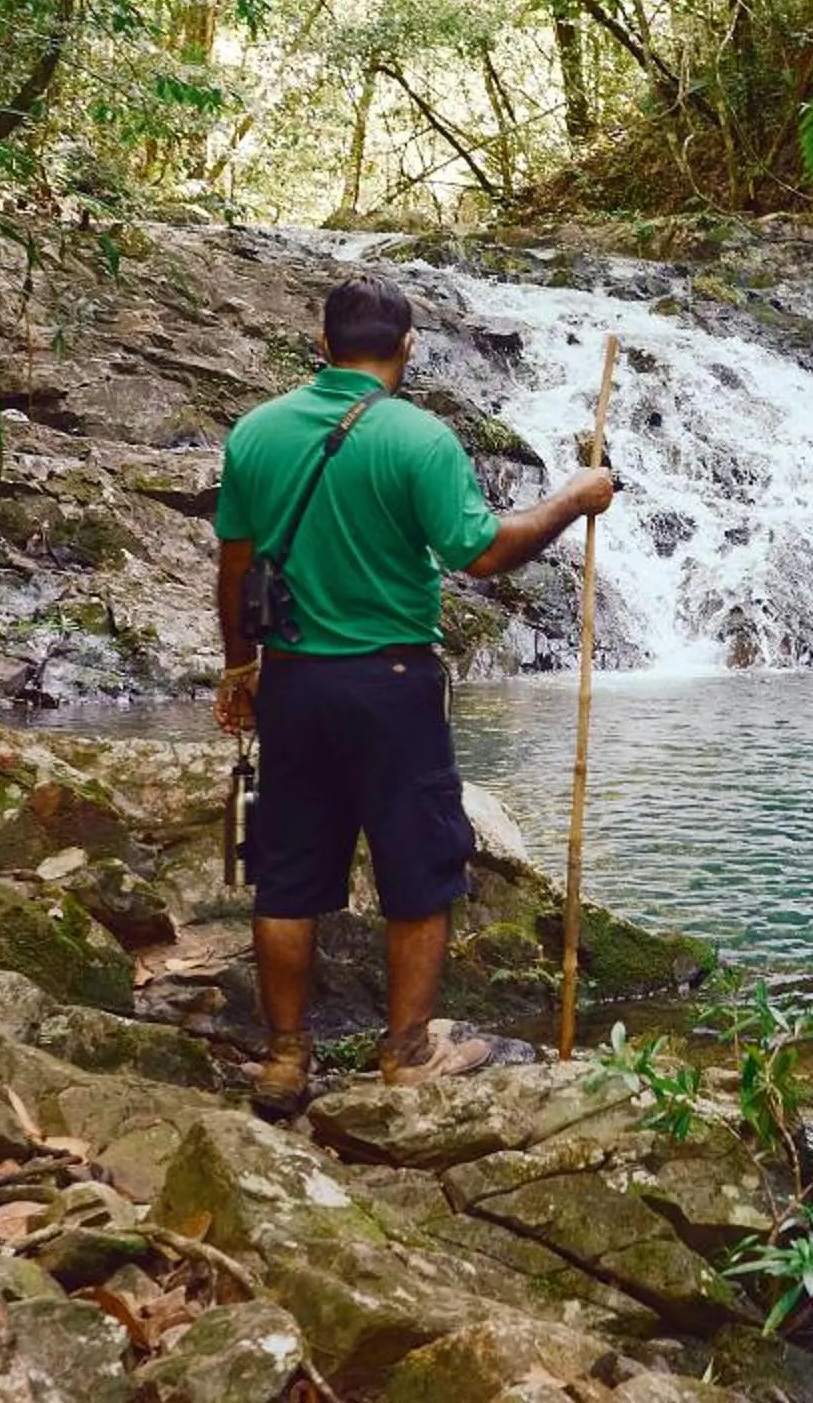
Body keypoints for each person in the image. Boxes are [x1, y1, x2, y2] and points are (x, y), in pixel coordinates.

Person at [212, 276, 614, 1118]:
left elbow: (237, 568)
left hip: (293, 681)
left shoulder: (255, 433)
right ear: (409, 348)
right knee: (418, 867)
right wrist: (574, 500)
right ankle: (407, 1053)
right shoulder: (420, 439)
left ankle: (285, 1059)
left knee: (285, 871)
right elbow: (480, 553)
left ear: (321, 346)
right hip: (392, 684)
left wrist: (239, 668)